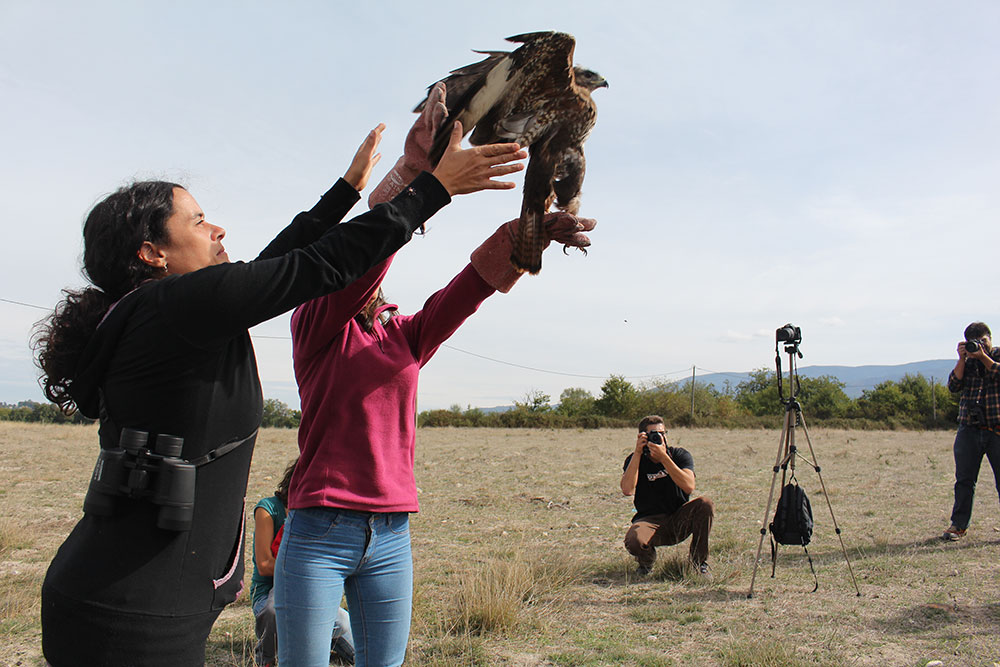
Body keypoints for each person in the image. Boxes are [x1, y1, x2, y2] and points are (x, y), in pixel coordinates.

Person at [33, 115, 526, 666]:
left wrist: (348, 191)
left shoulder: (169, 317)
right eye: (198, 221)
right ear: (153, 253)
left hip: (138, 597)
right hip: (131, 614)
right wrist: (431, 189)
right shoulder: (175, 307)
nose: (217, 230)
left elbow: (274, 264)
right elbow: (315, 266)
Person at [274, 83, 596, 667]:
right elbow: (363, 263)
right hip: (319, 531)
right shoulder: (315, 326)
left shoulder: (404, 336)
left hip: (391, 534)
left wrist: (528, 233)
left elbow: (466, 292)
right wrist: (417, 179)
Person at [252, 459, 354, 666]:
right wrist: (308, 567)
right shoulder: (269, 509)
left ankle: (314, 641)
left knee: (353, 641)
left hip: (311, 592)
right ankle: (267, 658)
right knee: (275, 611)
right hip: (272, 591)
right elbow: (264, 565)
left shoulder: (322, 513)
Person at [621, 415, 714, 576]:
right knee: (634, 541)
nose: (659, 437)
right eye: (653, 434)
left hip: (678, 517)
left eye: (662, 433)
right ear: (642, 437)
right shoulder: (635, 459)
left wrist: (664, 458)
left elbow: (689, 486)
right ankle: (646, 561)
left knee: (705, 504)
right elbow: (627, 489)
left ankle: (699, 563)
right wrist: (637, 453)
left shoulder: (679, 455)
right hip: (649, 520)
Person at [941, 321, 1000, 541]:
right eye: (974, 342)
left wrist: (983, 357)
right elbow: (953, 385)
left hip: (997, 429)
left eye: (983, 341)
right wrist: (962, 359)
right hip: (969, 429)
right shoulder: (967, 362)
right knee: (964, 480)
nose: (979, 346)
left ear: (990, 338)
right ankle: (958, 525)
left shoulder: (996, 356)